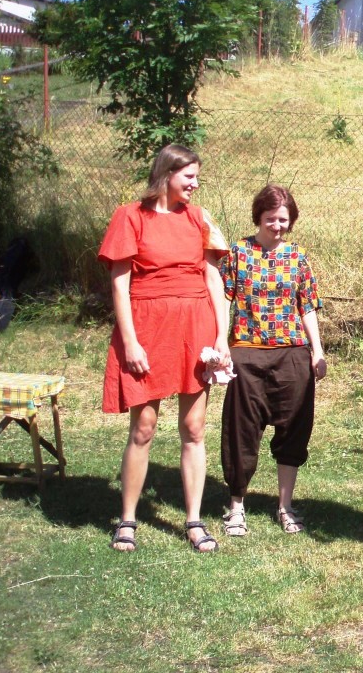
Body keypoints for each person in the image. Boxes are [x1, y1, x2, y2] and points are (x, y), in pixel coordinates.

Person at [100, 144, 229, 553]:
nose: (195, 184)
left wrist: (221, 336)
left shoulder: (199, 218)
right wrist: (130, 341)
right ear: (166, 174)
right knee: (143, 428)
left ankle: (194, 521)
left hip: (195, 328)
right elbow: (120, 284)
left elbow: (214, 280)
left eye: (197, 177)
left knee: (194, 428)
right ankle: (127, 520)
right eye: (189, 176)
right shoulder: (130, 216)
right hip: (148, 330)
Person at [218, 185, 326, 537]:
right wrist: (220, 342)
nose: (277, 226)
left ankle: (285, 505)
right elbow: (224, 298)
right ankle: (236, 506)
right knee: (242, 431)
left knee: (294, 429)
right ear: (258, 217)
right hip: (246, 353)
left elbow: (307, 305)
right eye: (270, 219)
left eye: (283, 219)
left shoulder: (298, 257)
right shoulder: (238, 253)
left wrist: (317, 350)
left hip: (292, 354)